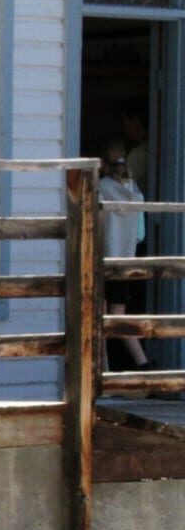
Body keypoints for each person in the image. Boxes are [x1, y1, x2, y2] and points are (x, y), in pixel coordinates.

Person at [99, 139, 152, 371]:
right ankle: (143, 364)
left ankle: (102, 370)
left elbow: (97, 225)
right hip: (125, 260)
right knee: (118, 316)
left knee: (97, 317)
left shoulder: (101, 188)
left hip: (103, 260)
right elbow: (140, 233)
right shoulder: (135, 191)